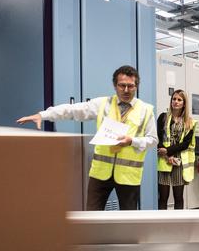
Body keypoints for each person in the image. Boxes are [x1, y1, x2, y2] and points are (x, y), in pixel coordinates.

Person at [17, 65, 157, 210]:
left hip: (129, 175)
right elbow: (73, 110)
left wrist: (132, 141)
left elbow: (153, 140)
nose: (126, 90)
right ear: (115, 86)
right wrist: (43, 115)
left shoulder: (146, 110)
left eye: (130, 86)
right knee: (92, 214)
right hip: (100, 173)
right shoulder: (103, 104)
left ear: (136, 86)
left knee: (129, 219)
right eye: (122, 86)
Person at [157, 89, 195, 209]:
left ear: (184, 103)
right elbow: (158, 137)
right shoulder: (163, 117)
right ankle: (162, 225)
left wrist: (169, 151)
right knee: (163, 197)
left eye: (179, 100)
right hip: (164, 159)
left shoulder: (189, 122)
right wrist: (166, 154)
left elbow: (186, 143)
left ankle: (179, 224)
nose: (176, 102)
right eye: (174, 99)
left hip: (179, 162)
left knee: (178, 197)